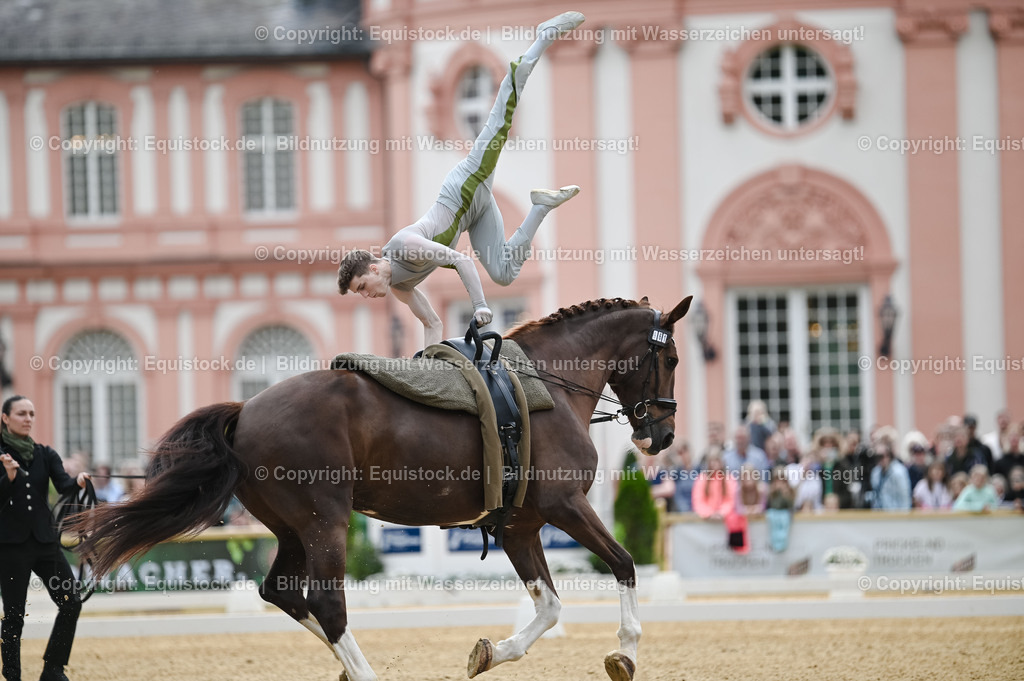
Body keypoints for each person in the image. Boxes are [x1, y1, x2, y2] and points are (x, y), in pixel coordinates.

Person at [336, 11, 586, 348]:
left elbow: (459, 259)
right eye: (360, 294)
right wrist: (425, 372)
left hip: (465, 184)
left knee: (500, 118)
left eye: (362, 287)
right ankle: (540, 207)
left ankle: (542, 37)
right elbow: (433, 323)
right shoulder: (400, 287)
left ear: (375, 267)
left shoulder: (403, 246)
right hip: (476, 212)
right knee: (504, 273)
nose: (366, 296)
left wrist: (481, 305)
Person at [1, 395, 90, 681]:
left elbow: (63, 484)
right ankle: (12, 676)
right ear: (5, 418)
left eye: (31, 413)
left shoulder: (45, 453)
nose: (28, 418)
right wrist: (8, 479)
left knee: (71, 601)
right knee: (13, 616)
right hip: (11, 546)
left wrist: (77, 482)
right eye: (21, 413)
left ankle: (53, 668)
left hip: (45, 544)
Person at [691, 452, 737, 520]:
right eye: (712, 461)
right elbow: (697, 500)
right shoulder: (701, 479)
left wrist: (721, 513)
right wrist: (709, 513)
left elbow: (732, 500)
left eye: (717, 460)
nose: (715, 463)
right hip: (706, 521)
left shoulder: (729, 479)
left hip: (726, 521)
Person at [869, 440, 911, 511]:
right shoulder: (875, 472)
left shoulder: (899, 472)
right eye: (876, 456)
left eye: (881, 456)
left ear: (888, 456)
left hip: (895, 516)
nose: (879, 459)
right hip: (879, 516)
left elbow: (905, 499)